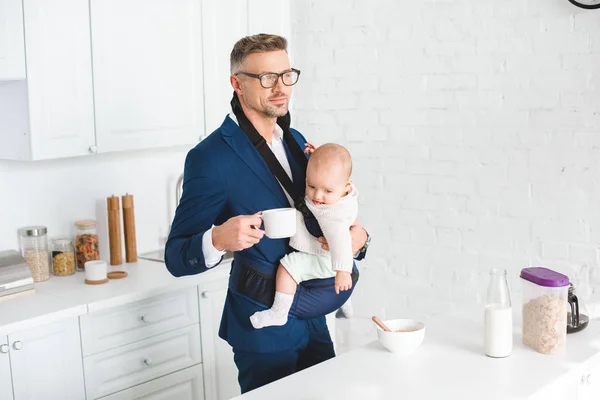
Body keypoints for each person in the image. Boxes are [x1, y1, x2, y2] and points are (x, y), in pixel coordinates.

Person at [165, 33, 371, 394]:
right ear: (236, 84)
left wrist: (359, 238)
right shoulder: (210, 158)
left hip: (311, 315)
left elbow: (323, 211)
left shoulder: (296, 140)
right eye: (266, 78)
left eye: (286, 74)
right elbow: (175, 256)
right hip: (261, 327)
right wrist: (216, 239)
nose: (281, 88)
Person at [250, 143, 358, 329]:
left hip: (328, 260)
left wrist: (343, 271)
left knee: (288, 267)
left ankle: (279, 313)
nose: (317, 195)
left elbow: (341, 241)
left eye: (327, 191)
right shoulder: (342, 190)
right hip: (330, 258)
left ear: (346, 186)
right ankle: (344, 302)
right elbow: (328, 174)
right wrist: (316, 158)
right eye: (311, 185)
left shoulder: (332, 215)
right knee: (339, 286)